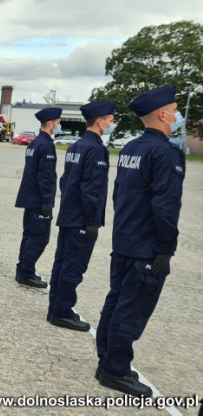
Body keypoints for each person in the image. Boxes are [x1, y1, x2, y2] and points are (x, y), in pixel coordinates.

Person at [96, 85, 185, 397]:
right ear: (163, 115)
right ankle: (115, 369)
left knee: (117, 299)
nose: (178, 116)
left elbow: (120, 194)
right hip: (147, 244)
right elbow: (166, 205)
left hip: (125, 238)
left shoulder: (132, 148)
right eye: (175, 111)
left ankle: (106, 359)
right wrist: (166, 248)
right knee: (132, 307)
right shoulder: (165, 152)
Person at [47, 101, 114, 332]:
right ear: (99, 122)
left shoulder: (76, 146)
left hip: (69, 214)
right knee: (73, 266)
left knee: (62, 263)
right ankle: (62, 311)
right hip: (81, 219)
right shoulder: (96, 149)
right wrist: (91, 221)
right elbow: (92, 189)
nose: (111, 123)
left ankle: (55, 306)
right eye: (110, 119)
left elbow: (66, 181)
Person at [14, 107, 62, 288]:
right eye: (57, 123)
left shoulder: (34, 143)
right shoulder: (46, 145)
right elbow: (45, 176)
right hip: (39, 200)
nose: (59, 125)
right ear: (50, 124)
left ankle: (24, 268)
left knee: (29, 235)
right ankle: (25, 272)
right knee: (39, 237)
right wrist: (47, 202)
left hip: (30, 198)